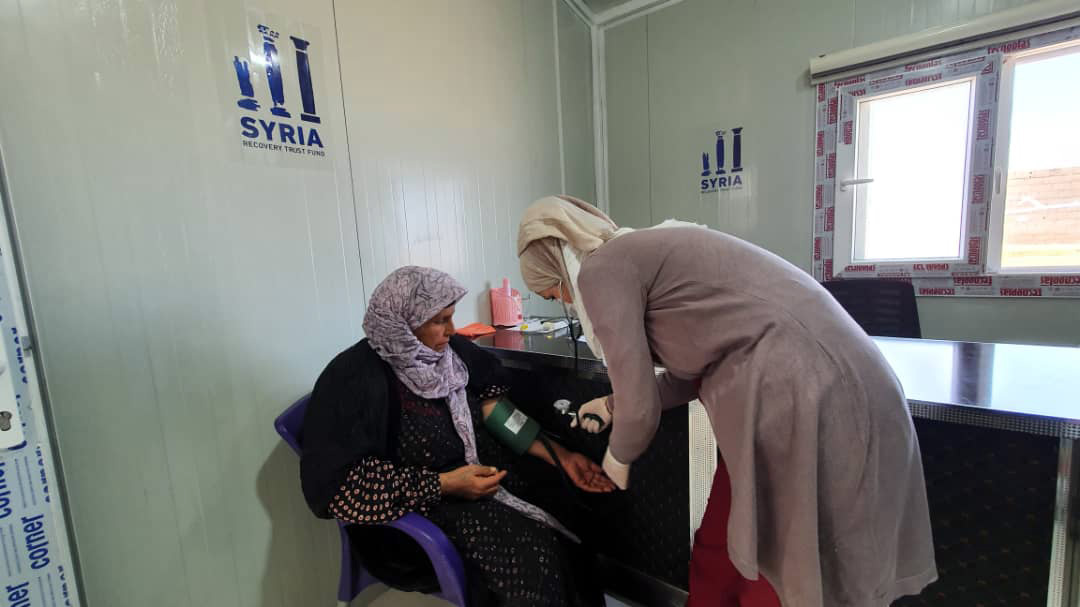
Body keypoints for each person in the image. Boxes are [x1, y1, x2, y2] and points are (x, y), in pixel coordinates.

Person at [516, 196, 937, 607]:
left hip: (798, 396)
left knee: (774, 558)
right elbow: (691, 372)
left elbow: (640, 409)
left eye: (553, 294)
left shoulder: (601, 268)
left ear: (557, 264)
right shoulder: (642, 250)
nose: (566, 303)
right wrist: (611, 406)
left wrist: (617, 459)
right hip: (842, 381)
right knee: (729, 540)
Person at [300, 266, 613, 607]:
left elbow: (495, 411)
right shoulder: (353, 379)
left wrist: (561, 457)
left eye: (451, 317)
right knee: (533, 560)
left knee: (567, 510)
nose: (451, 330)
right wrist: (446, 484)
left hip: (479, 476)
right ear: (404, 323)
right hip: (421, 506)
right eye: (440, 321)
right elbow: (343, 485)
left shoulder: (452, 353)